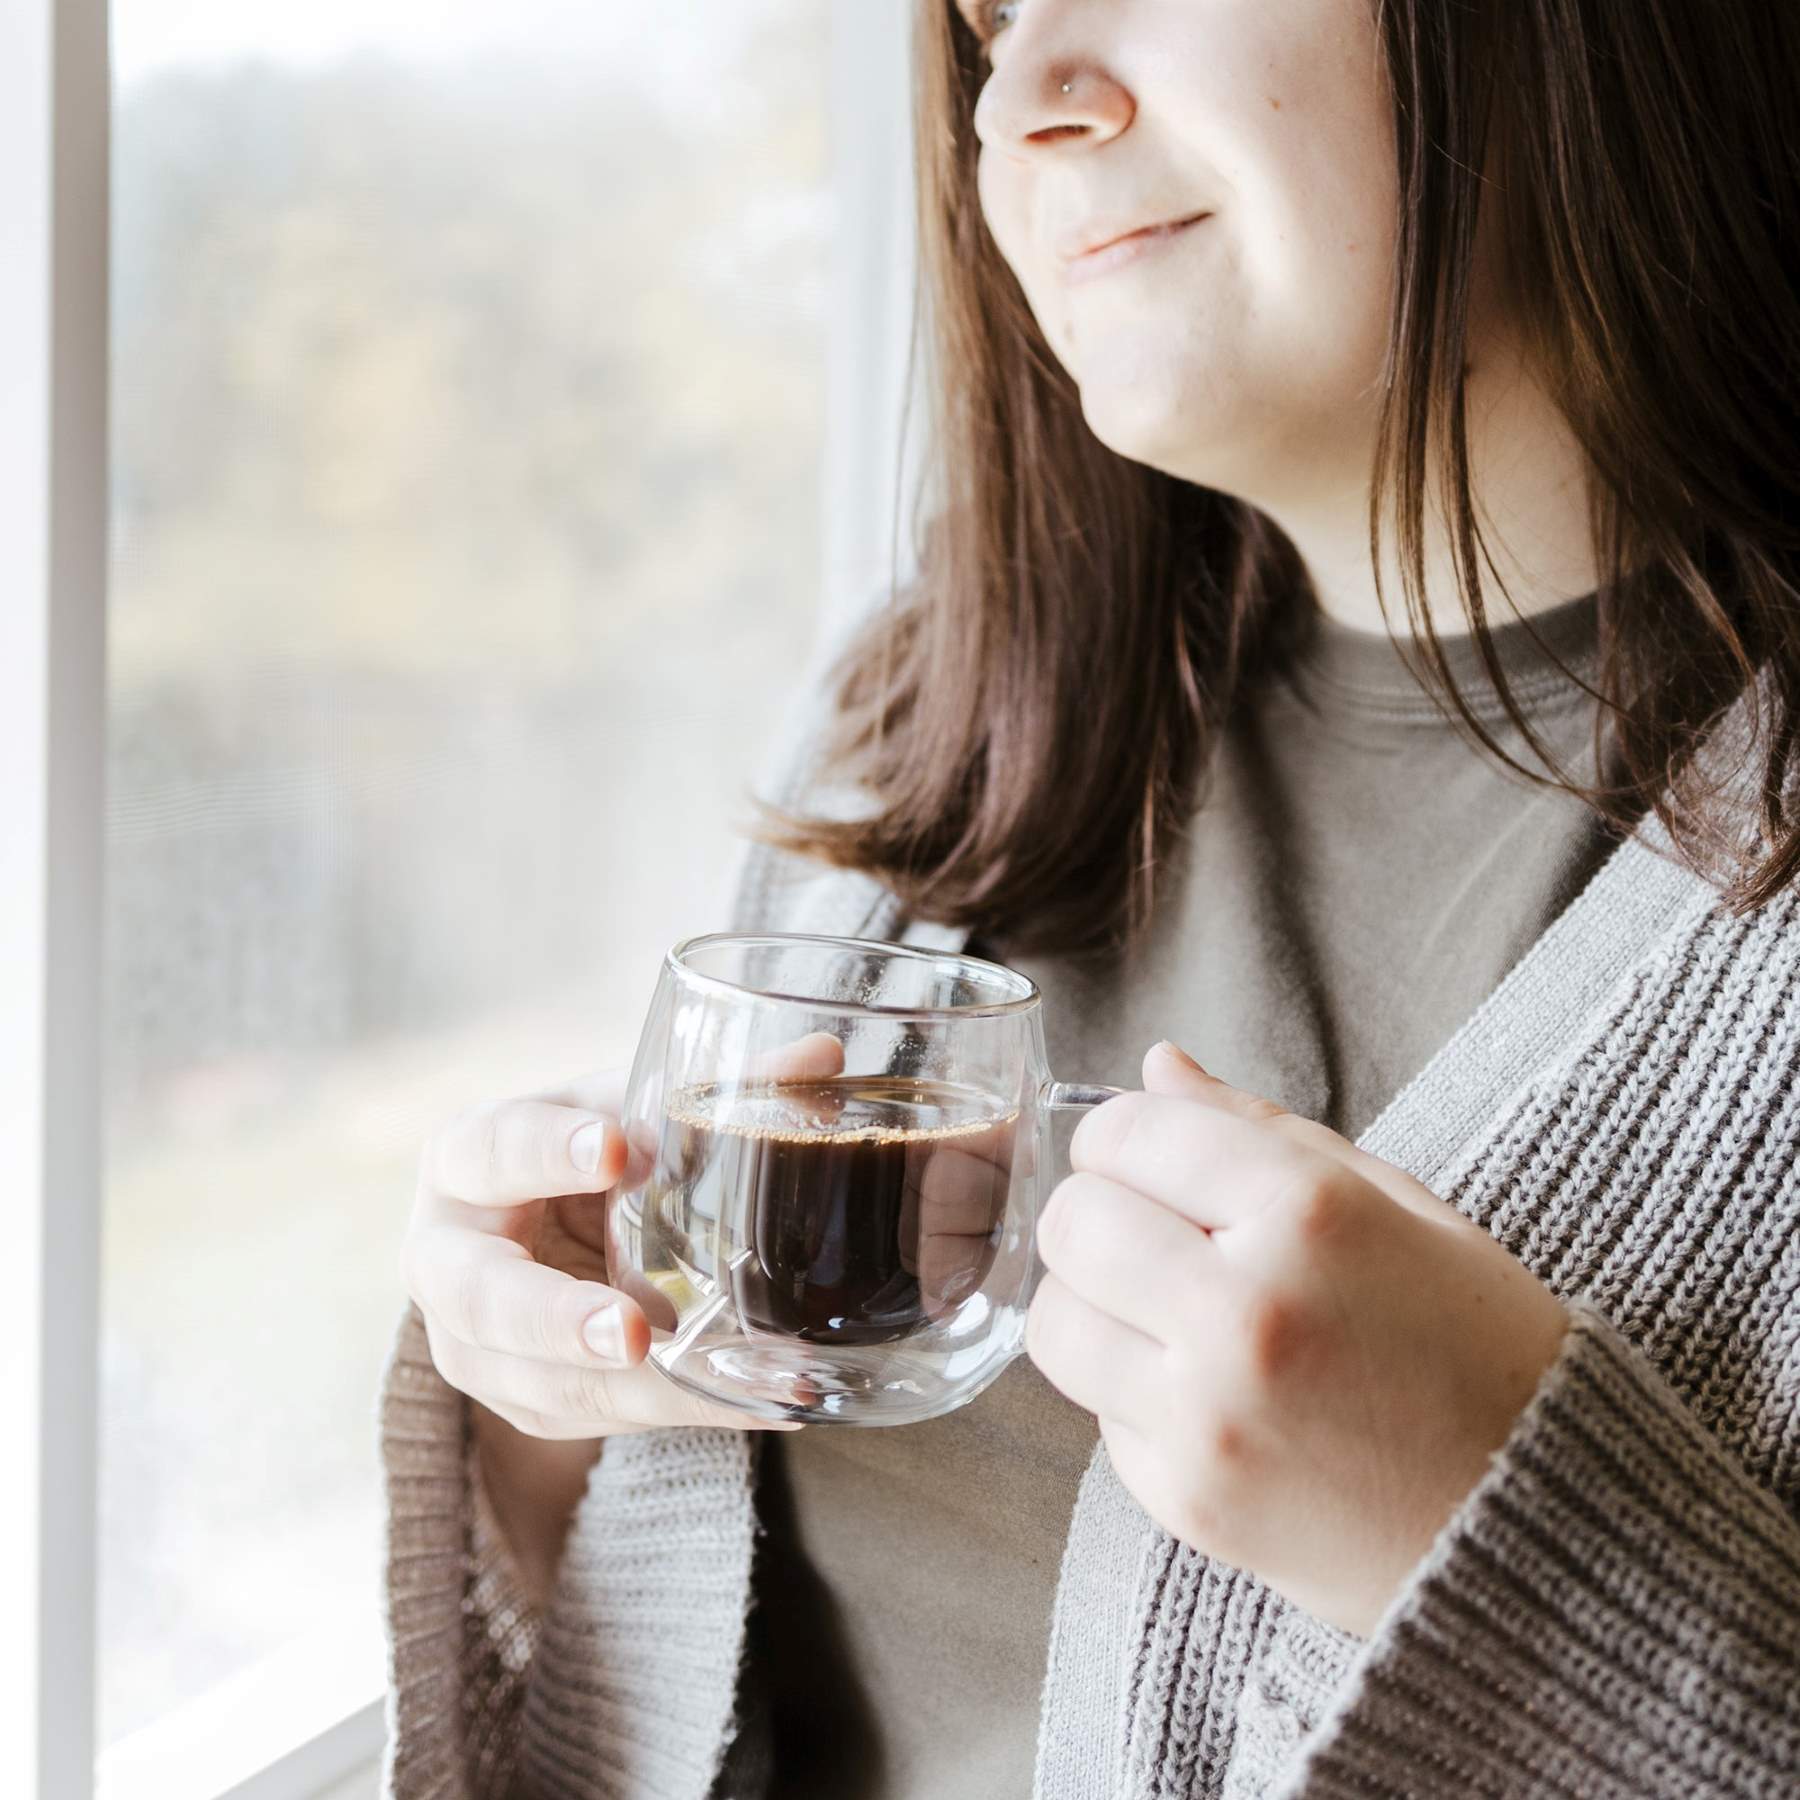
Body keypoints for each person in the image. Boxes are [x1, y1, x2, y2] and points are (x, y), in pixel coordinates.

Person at [379, 1, 1800, 1795]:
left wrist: (1553, 1568)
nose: (1026, 97)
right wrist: (549, 1419)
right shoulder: (910, 725)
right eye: (987, 12)